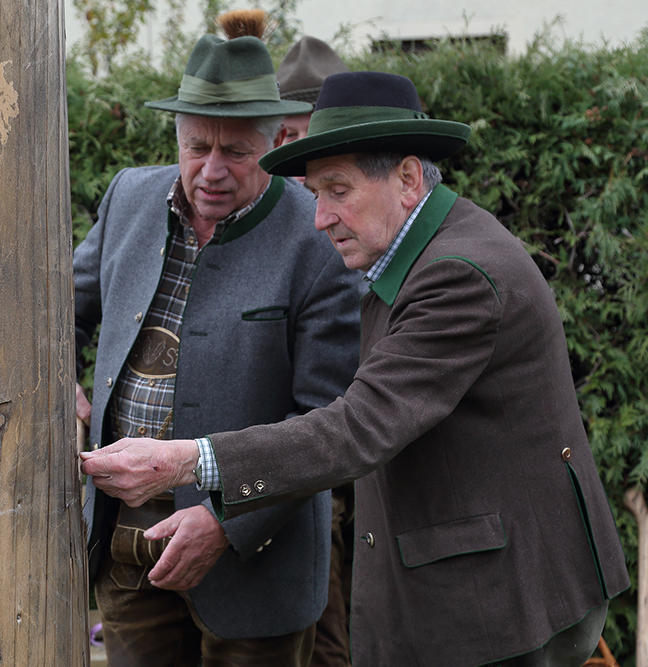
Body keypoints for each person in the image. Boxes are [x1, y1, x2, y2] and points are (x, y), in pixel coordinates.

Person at [81, 71, 632, 667]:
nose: (320, 218)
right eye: (316, 193)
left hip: (504, 603)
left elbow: (357, 427)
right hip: (485, 590)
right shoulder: (418, 251)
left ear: (408, 179)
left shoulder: (458, 275)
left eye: (338, 191)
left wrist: (186, 461)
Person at [74, 11, 361, 667]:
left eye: (236, 152)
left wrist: (225, 522)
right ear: (177, 135)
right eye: (197, 146)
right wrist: (63, 383)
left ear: (276, 144)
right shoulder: (129, 197)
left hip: (257, 566)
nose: (211, 170)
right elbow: (61, 308)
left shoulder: (318, 238)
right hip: (127, 550)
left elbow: (327, 422)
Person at [277, 35, 354, 667]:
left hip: (349, 461)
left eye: (312, 140)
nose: (299, 164)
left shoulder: (366, 222)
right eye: (286, 141)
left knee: (335, 633)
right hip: (277, 462)